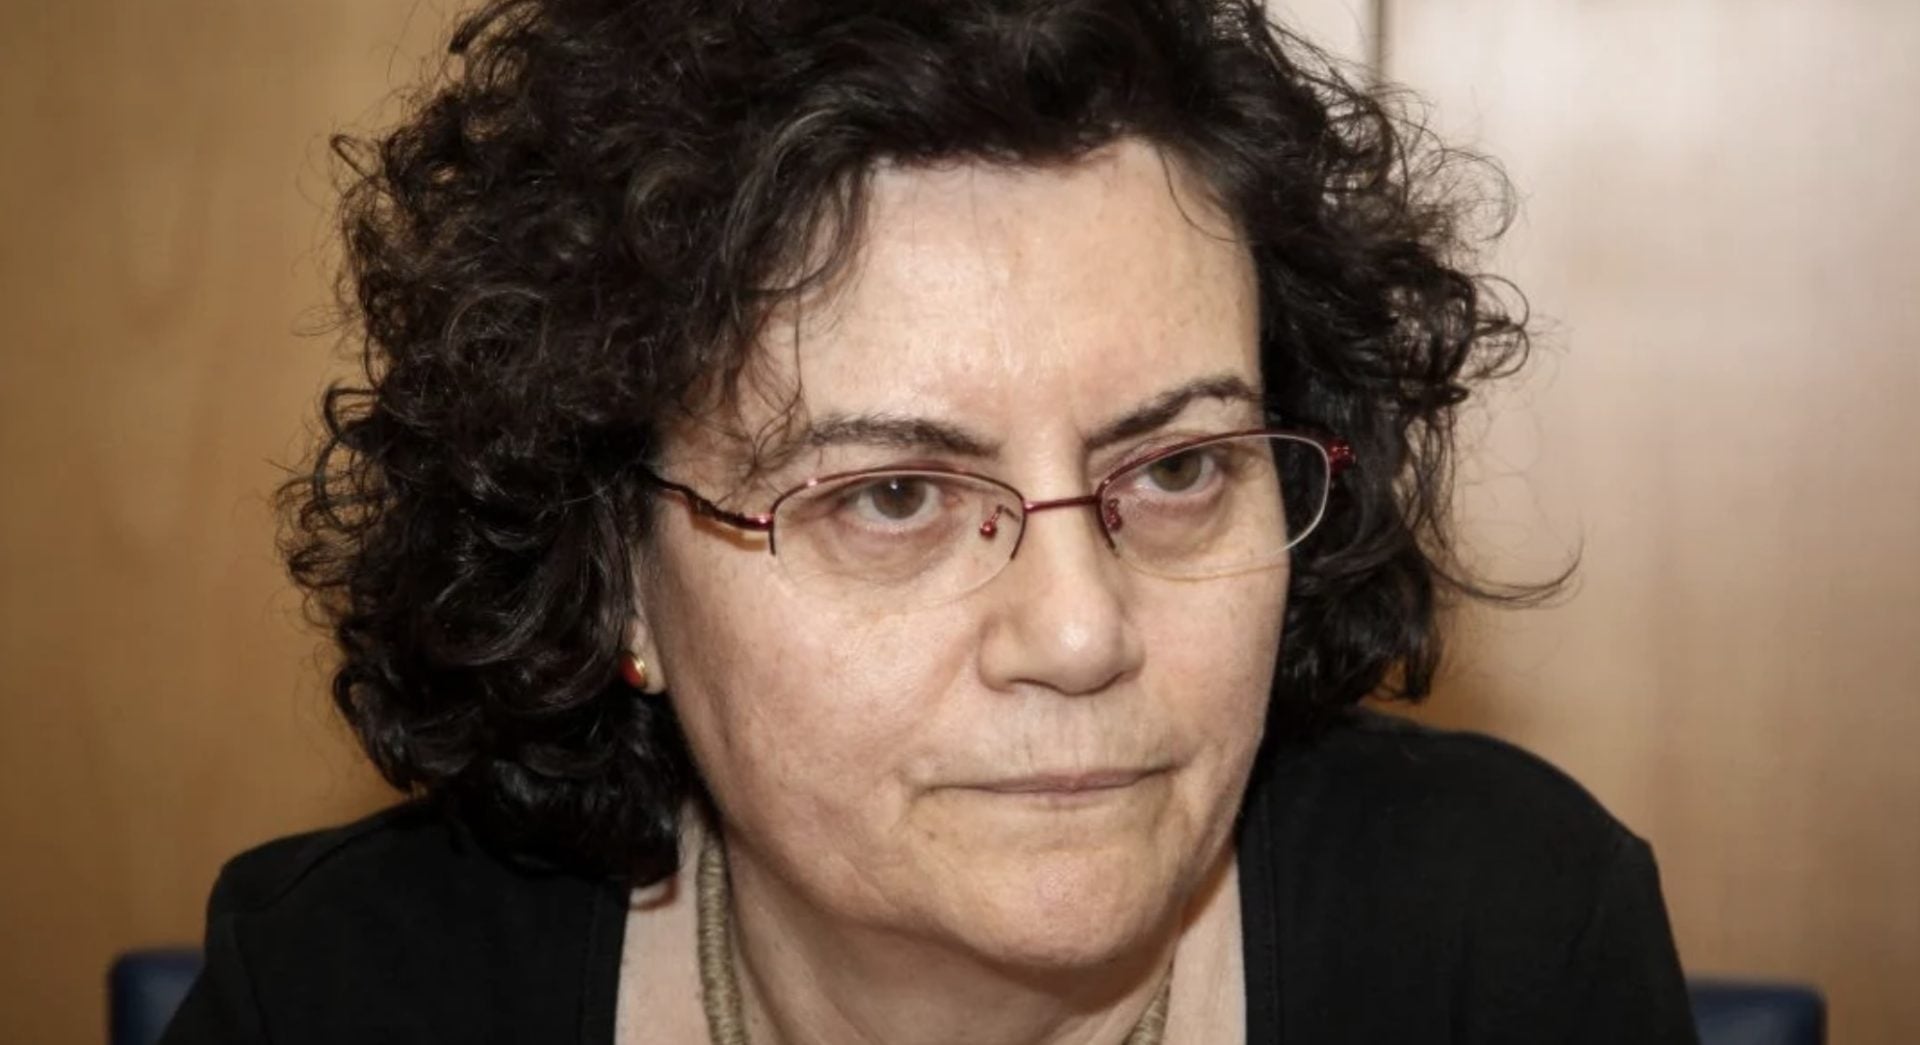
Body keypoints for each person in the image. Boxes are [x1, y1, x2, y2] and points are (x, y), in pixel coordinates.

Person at [164, 0, 1698, 1041]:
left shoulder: (1504, 948)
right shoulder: (344, 992)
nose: (1081, 631)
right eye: (891, 495)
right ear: (615, 568)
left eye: (1176, 468)